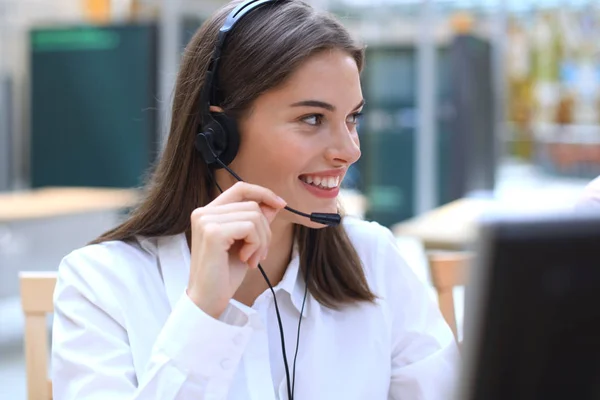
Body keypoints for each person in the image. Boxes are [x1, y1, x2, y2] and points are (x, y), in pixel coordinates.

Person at [51, 0, 459, 399]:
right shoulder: (101, 284)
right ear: (217, 133)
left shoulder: (373, 258)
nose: (349, 150)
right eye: (312, 119)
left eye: (352, 117)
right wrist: (203, 313)